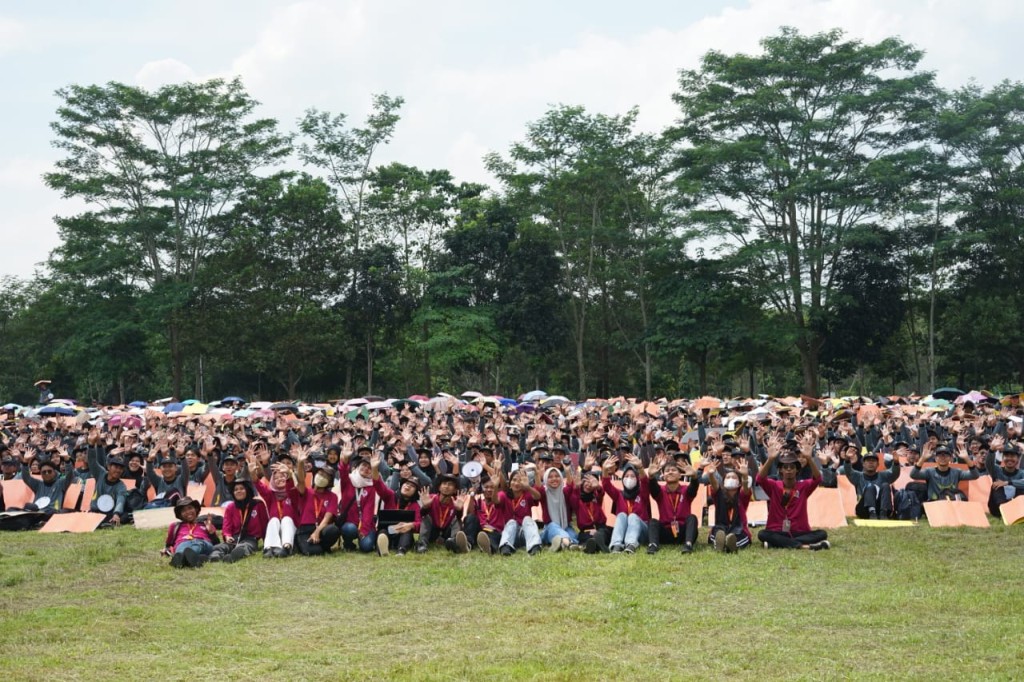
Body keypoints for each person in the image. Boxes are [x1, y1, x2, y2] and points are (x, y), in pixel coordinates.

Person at [756, 433, 830, 550]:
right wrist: (770, 459)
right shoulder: (774, 486)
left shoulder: (804, 486)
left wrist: (809, 458)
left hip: (800, 531)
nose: (789, 470)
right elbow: (760, 479)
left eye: (792, 467)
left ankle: (777, 543)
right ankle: (804, 546)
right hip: (777, 530)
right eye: (785, 467)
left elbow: (818, 479)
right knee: (762, 534)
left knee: (822, 533)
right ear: (780, 470)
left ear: (797, 470)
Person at [248, 446, 301, 558]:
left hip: (291, 531)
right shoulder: (270, 495)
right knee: (273, 520)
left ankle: (287, 547)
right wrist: (253, 474)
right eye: (276, 478)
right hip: (275, 532)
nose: (279, 479)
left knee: (286, 519)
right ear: (272, 481)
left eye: (282, 477)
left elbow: (291, 485)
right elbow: (260, 486)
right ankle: (269, 548)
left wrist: (289, 474)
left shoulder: (292, 493)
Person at [646, 454, 700, 554]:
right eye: (667, 471)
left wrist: (694, 477)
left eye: (673, 470)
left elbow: (694, 488)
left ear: (680, 475)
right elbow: (653, 489)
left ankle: (688, 544)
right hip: (666, 532)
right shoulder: (660, 491)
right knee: (653, 521)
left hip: (683, 532)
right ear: (663, 476)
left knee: (692, 518)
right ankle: (653, 545)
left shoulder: (686, 490)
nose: (670, 472)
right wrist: (651, 477)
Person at [209, 479, 267, 563]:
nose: (238, 491)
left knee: (244, 547)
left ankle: (233, 556)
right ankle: (216, 556)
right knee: (221, 547)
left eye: (242, 488)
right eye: (236, 490)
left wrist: (267, 542)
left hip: (250, 539)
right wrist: (228, 536)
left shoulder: (258, 505)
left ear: (247, 490)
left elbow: (264, 524)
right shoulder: (230, 507)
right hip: (234, 538)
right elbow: (226, 526)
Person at [373, 456, 422, 556]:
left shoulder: (415, 505)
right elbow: (379, 486)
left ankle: (401, 551)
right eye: (406, 484)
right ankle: (383, 550)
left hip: (403, 532)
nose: (408, 486)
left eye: (412, 486)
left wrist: (411, 525)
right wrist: (374, 469)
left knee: (407, 532)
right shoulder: (390, 496)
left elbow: (420, 523)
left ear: (415, 492)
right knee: (382, 532)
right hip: (388, 530)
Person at [602, 453, 650, 554]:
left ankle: (631, 544)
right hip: (624, 532)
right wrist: (605, 470)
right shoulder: (619, 494)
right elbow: (606, 486)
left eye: (632, 476)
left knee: (633, 516)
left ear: (637, 479)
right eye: (627, 476)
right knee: (621, 515)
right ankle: (616, 545)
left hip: (642, 532)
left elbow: (645, 482)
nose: (629, 479)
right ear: (623, 479)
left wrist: (640, 468)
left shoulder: (642, 494)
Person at [417, 472, 473, 554]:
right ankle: (422, 544)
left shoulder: (457, 501)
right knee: (426, 517)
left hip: (447, 532)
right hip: (433, 531)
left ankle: (454, 541)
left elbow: (459, 518)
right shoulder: (431, 498)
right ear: (439, 487)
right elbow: (422, 515)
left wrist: (459, 509)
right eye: (444, 484)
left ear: (455, 490)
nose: (446, 486)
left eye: (450, 484)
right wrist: (425, 507)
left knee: (456, 519)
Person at [842, 444, 901, 519]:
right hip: (864, 510)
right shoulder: (858, 476)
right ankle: (872, 512)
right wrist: (847, 459)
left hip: (880, 508)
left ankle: (884, 512)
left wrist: (896, 462)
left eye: (873, 461)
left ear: (878, 464)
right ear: (863, 464)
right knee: (870, 487)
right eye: (868, 461)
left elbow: (894, 473)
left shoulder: (883, 475)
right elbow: (848, 471)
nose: (871, 463)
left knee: (886, 485)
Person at [295, 460, 341, 556]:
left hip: (321, 528)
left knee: (333, 530)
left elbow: (328, 517)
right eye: (320, 474)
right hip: (305, 529)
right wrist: (300, 462)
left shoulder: (332, 496)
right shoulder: (306, 492)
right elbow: (301, 480)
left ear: (329, 481)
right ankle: (311, 546)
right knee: (313, 552)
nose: (321, 477)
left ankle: (321, 545)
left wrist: (317, 532)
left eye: (326, 476)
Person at [706, 457, 752, 552]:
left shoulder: (742, 496)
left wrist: (745, 476)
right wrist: (710, 474)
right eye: (728, 477)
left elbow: (746, 488)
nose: (730, 479)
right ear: (723, 482)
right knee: (715, 534)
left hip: (738, 528)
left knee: (742, 537)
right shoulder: (718, 494)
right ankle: (721, 543)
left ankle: (732, 545)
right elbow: (714, 485)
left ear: (739, 483)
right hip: (721, 527)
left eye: (734, 477)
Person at [909, 442, 980, 501]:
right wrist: (922, 458)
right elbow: (913, 475)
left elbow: (975, 475)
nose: (943, 458)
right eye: (940, 455)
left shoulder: (956, 472)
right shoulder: (929, 472)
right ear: (935, 458)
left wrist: (967, 459)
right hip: (934, 504)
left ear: (951, 458)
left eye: (945, 455)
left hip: (952, 503)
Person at [496, 469, 542, 556]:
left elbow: (538, 496)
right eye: (514, 480)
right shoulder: (504, 495)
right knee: (511, 522)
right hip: (511, 536)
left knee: (527, 519)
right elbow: (495, 501)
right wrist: (495, 486)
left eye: (520, 480)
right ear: (510, 483)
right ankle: (505, 547)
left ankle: (534, 547)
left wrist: (528, 487)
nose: (516, 483)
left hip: (525, 535)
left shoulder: (527, 494)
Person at [163, 497, 218, 568]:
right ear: (180, 514)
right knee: (182, 546)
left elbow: (216, 544)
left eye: (190, 508)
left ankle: (184, 558)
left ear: (196, 509)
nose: (188, 512)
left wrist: (211, 532)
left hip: (203, 543)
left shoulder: (205, 524)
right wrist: (167, 550)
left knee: (198, 544)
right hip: (183, 543)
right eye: (184, 510)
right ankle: (186, 558)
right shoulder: (175, 526)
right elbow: (168, 544)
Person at [86, 444, 128, 526]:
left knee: (125, 516)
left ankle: (107, 522)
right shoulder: (100, 473)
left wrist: (116, 513)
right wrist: (91, 446)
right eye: (116, 467)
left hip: (110, 513)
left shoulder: (121, 486)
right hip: (95, 511)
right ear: (109, 467)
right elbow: (92, 461)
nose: (118, 470)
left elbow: (120, 500)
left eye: (120, 468)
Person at [985, 436, 1024, 516]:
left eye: (1012, 456)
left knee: (1021, 487)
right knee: (996, 486)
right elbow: (989, 464)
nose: (1009, 458)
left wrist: (1007, 483)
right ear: (1003, 458)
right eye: (1006, 456)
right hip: (998, 508)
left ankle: (1014, 512)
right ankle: (1006, 512)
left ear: (1018, 458)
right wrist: (992, 450)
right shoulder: (997, 470)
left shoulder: (1021, 473)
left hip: (1017, 507)